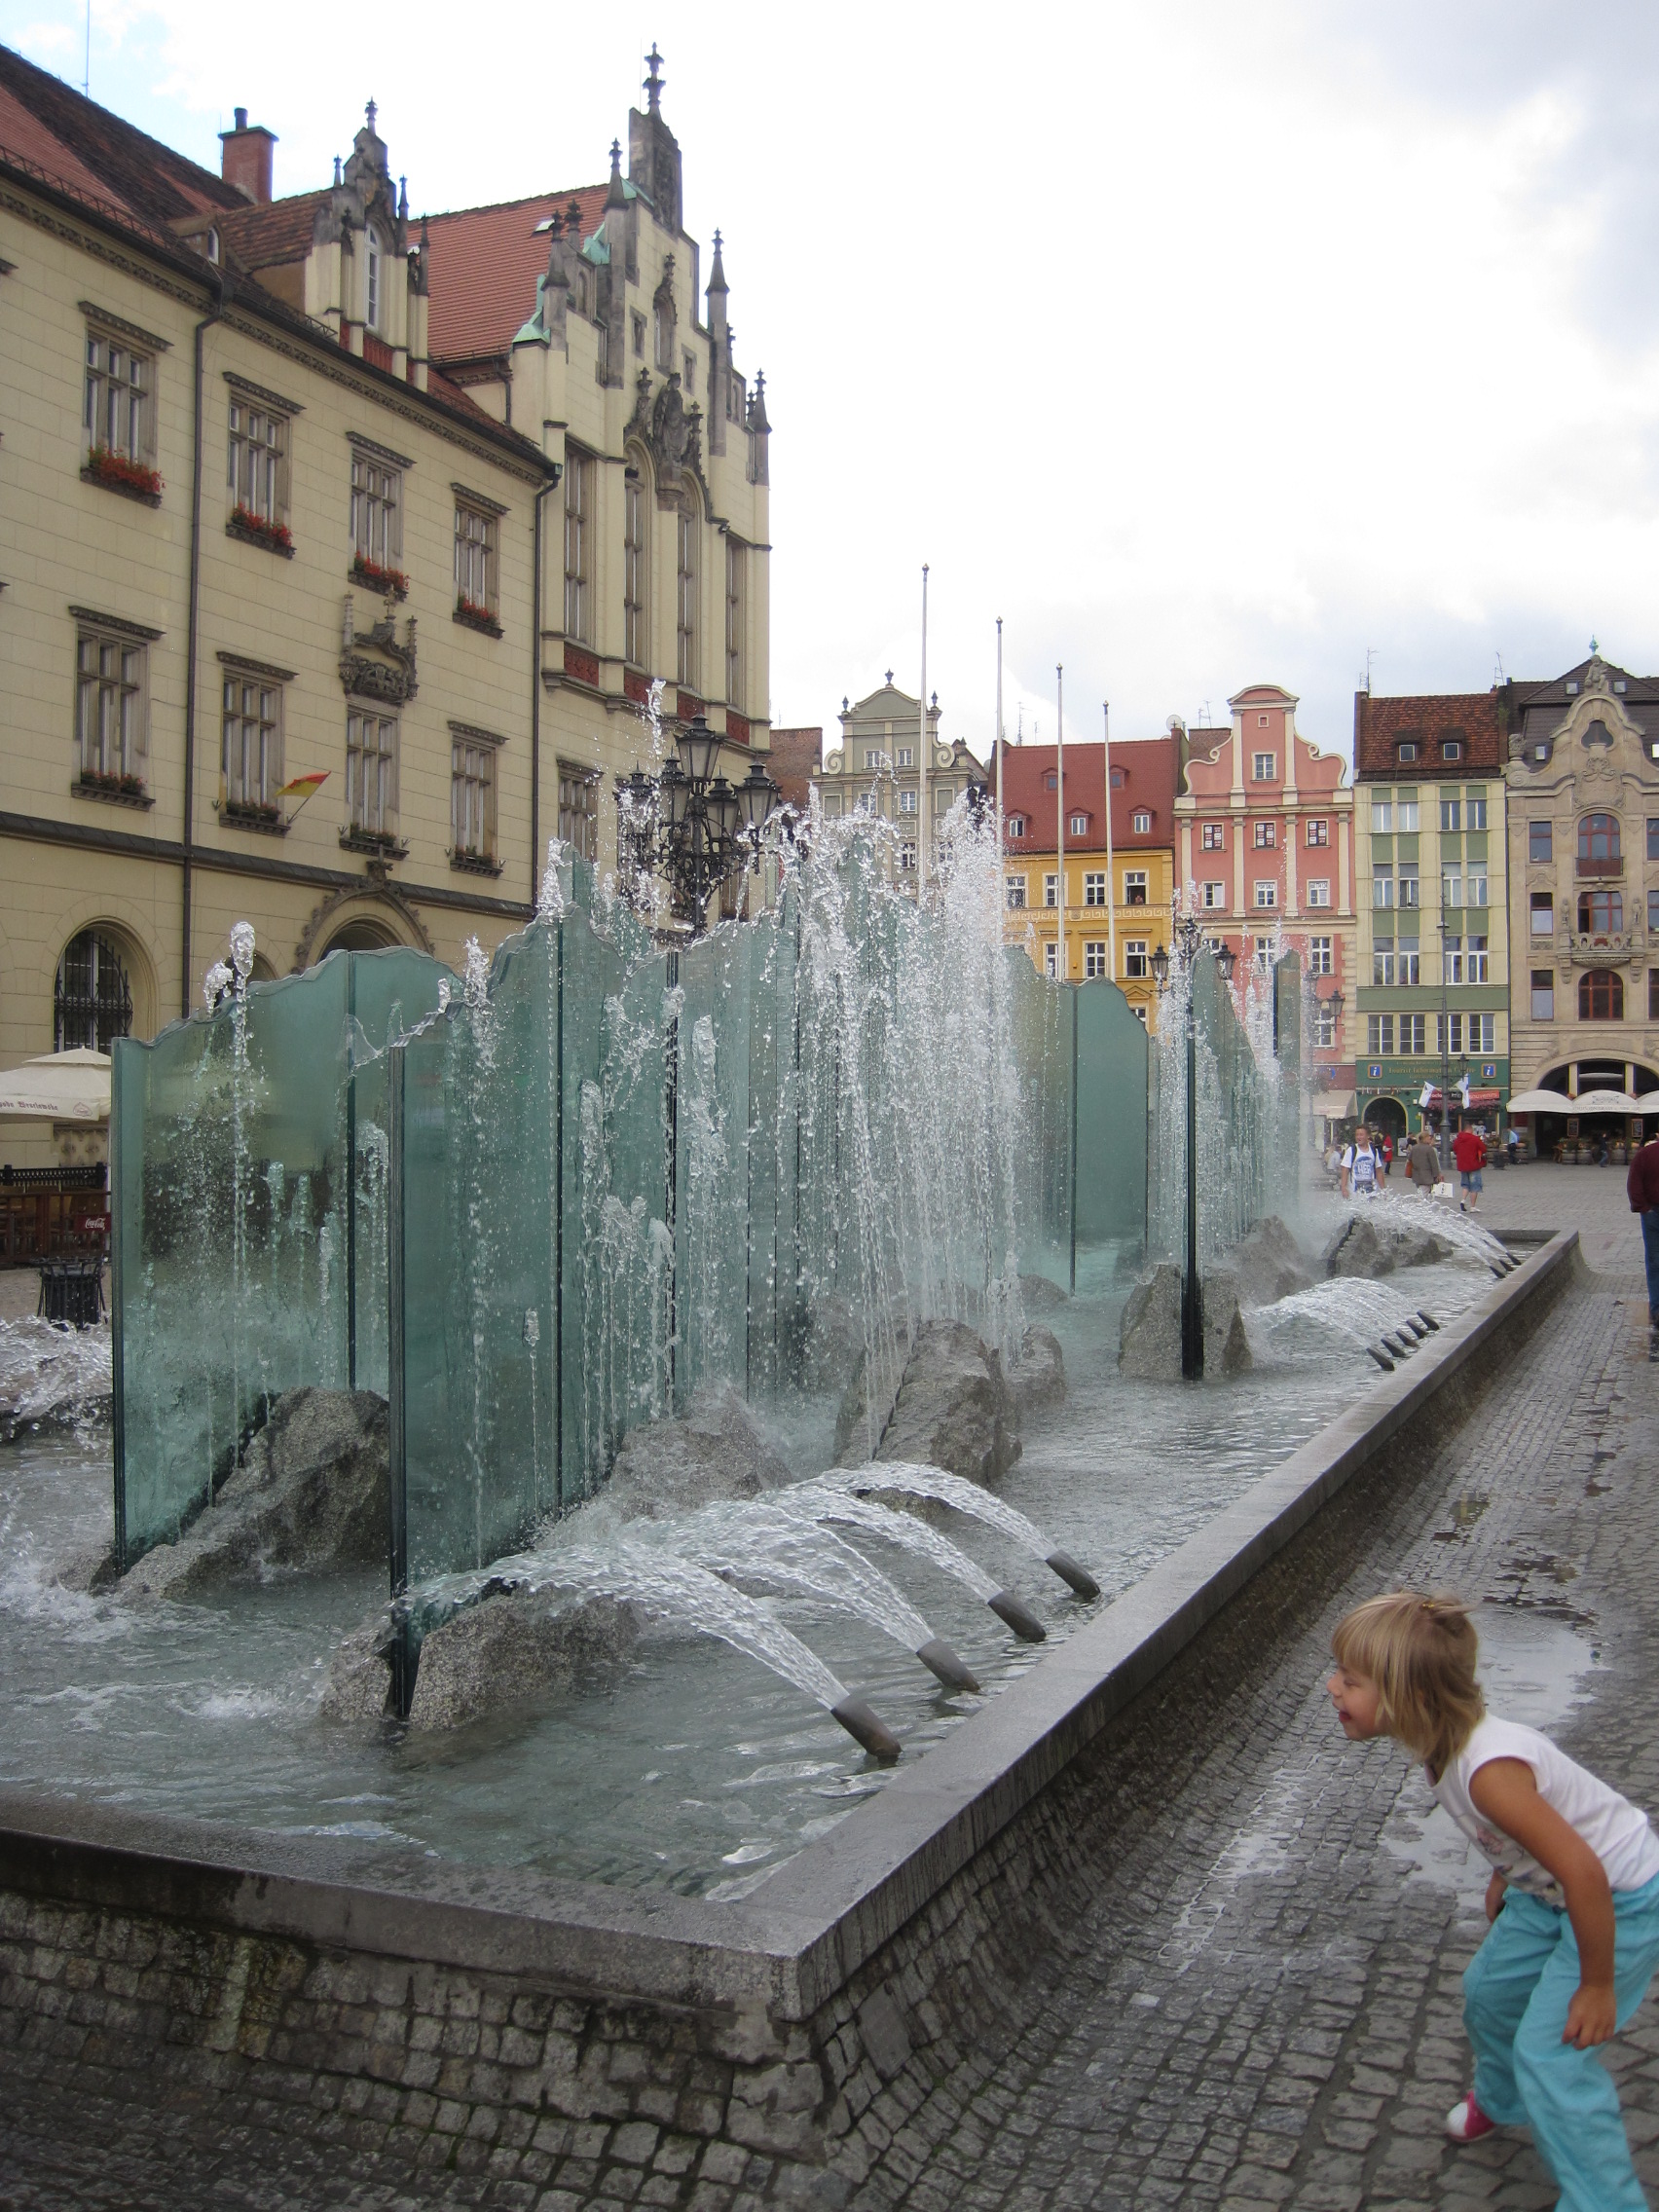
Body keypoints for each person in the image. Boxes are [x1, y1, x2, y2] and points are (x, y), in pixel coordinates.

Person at [1329, 1593, 1659, 2210]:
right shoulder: (1442, 1743)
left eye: (1350, 1680)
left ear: (1407, 1697)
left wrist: (1595, 1987)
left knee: (1553, 2057)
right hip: (1546, 1892)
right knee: (1489, 1994)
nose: (1333, 1688)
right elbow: (1528, 1834)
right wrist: (1506, 1875)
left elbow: (1585, 1870)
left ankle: (1608, 2203)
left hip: (1617, 1899)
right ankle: (1505, 2100)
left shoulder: (1489, 1772)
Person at [1626, 1127, 1659, 1360]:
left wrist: (1643, 1208)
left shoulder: (1644, 1155)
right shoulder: (1646, 1155)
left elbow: (1634, 1183)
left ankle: (1657, 1309)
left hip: (1651, 1213)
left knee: (1655, 1262)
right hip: (1651, 1212)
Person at [1451, 1121, 1487, 1212]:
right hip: (1473, 1165)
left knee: (1465, 1185)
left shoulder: (1458, 1140)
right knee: (1474, 1186)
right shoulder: (1474, 1139)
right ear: (1470, 1129)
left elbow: (1454, 1150)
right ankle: (1472, 1206)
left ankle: (1463, 1200)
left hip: (1462, 1165)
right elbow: (1483, 1149)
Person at [1341, 1124, 1380, 1199]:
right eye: (1357, 1135)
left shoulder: (1374, 1151)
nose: (1358, 1137)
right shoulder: (1351, 1150)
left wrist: (1383, 1189)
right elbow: (1345, 1170)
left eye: (1361, 1135)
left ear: (1368, 1136)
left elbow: (1378, 1171)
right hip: (1354, 1193)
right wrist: (1343, 1188)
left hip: (1371, 1192)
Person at [1407, 1125, 1440, 1197]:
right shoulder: (1429, 1149)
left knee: (1421, 1191)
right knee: (1424, 1194)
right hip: (1427, 1175)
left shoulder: (1414, 1148)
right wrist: (1436, 1175)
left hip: (1416, 1174)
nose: (1430, 1139)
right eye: (1428, 1137)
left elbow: (1410, 1159)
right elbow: (1434, 1164)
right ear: (1425, 1138)